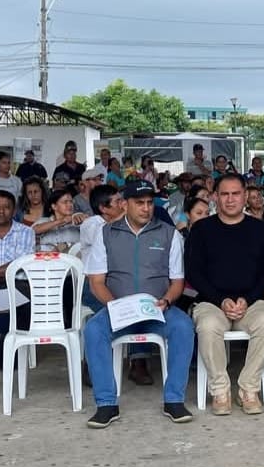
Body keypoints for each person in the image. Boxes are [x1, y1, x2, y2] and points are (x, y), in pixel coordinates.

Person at [83, 179, 194, 428]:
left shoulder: (169, 234)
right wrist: (115, 306)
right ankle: (106, 404)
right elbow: (96, 282)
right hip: (118, 310)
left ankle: (174, 400)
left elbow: (177, 281)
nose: (146, 208)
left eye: (149, 203)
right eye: (139, 203)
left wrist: (166, 300)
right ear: (125, 204)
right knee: (93, 330)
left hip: (157, 310)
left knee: (184, 326)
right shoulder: (106, 234)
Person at [185, 173, 264, 415]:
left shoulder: (260, 229)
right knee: (207, 326)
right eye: (224, 194)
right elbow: (193, 272)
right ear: (215, 197)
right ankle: (220, 390)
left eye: (236, 194)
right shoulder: (201, 229)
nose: (230, 199)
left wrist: (248, 299)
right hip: (211, 301)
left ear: (245, 196)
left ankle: (248, 388)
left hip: (251, 301)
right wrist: (221, 300)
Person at [0, 190, 35, 371]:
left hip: (18, 285)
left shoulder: (26, 232)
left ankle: (8, 349)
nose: (1, 211)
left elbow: (19, 264)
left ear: (14, 211)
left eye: (6, 207)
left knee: (29, 304)